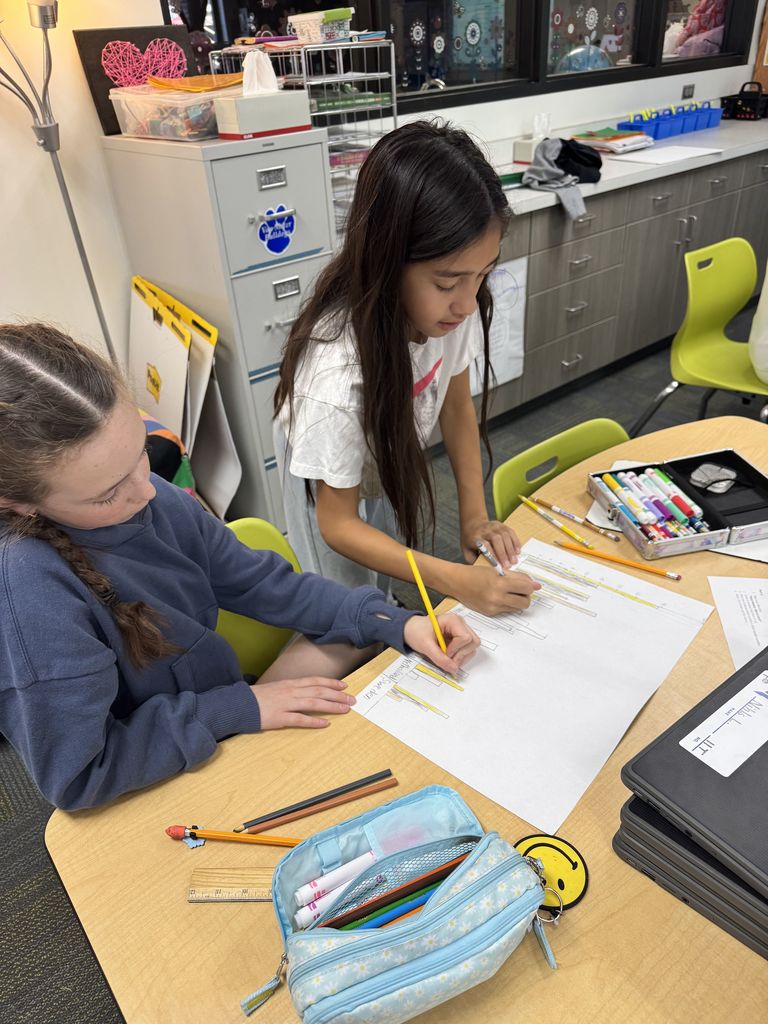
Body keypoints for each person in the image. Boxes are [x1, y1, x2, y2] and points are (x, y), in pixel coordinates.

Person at [0, 324, 479, 811]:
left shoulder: (153, 497)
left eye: (141, 453)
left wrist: (403, 622)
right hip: (150, 773)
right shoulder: (31, 596)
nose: (147, 492)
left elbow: (265, 585)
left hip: (216, 708)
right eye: (107, 493)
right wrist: (234, 709)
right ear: (19, 504)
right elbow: (80, 776)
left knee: (369, 626)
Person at [274, 120, 540, 616]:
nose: (466, 302)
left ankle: (382, 605)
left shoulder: (445, 310)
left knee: (383, 558)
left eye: (481, 275)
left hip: (384, 446)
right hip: (326, 470)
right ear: (387, 261)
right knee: (345, 606)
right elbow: (337, 525)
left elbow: (457, 407)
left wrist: (474, 518)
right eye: (447, 282)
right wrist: (455, 580)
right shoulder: (336, 373)